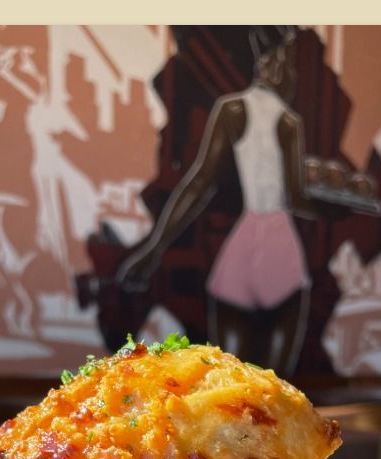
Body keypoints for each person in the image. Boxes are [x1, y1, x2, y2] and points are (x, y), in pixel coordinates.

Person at [117, 27, 313, 375]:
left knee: (226, 387)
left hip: (244, 249)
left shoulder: (232, 110)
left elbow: (199, 184)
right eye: (290, 63)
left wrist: (153, 249)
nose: (294, 76)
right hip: (282, 251)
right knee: (278, 392)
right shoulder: (289, 122)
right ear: (275, 64)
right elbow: (298, 198)